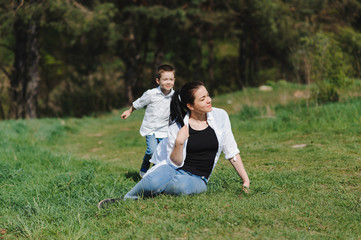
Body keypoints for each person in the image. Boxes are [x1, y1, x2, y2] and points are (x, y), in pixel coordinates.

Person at [98, 81, 249, 208]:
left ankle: (153, 193)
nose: (209, 100)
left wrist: (245, 180)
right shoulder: (177, 126)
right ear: (190, 105)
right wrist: (179, 142)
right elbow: (174, 162)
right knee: (153, 179)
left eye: (208, 95)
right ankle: (124, 201)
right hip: (175, 169)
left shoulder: (220, 116)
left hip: (198, 178)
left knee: (179, 185)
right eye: (202, 99)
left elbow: (231, 150)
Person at [120, 64, 175, 177]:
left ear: (174, 80)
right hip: (151, 129)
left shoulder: (175, 96)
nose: (168, 82)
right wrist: (129, 111)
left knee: (161, 154)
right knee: (152, 151)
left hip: (165, 129)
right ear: (158, 80)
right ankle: (145, 166)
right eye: (165, 79)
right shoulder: (151, 94)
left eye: (171, 79)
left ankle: (154, 174)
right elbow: (139, 103)